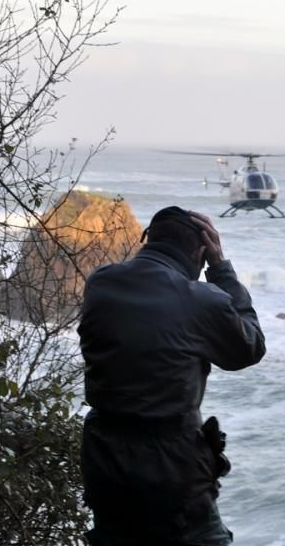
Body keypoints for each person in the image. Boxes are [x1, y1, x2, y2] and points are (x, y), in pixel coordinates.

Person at [78, 206, 266, 545]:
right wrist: (221, 269)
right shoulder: (201, 299)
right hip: (172, 462)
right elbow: (249, 349)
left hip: (104, 455)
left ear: (147, 239)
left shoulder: (100, 283)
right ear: (200, 252)